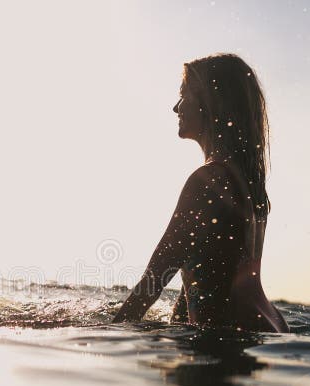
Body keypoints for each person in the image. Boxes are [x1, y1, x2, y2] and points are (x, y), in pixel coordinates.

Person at [113, 53, 289, 333]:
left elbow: (154, 280)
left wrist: (107, 334)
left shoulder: (209, 180)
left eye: (184, 95)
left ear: (211, 103)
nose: (176, 107)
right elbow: (203, 278)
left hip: (231, 335)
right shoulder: (249, 187)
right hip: (267, 325)